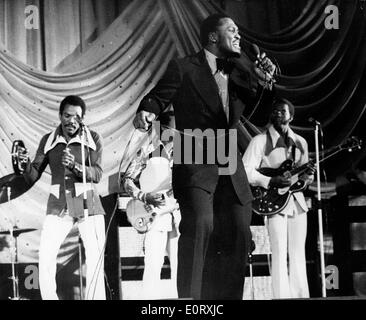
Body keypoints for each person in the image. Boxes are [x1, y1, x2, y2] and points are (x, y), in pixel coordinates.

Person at [132, 13, 276, 299]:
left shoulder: (239, 74)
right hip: (194, 156)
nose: (238, 35)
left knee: (239, 232)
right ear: (212, 36)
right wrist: (147, 110)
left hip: (228, 160)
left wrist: (265, 83)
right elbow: (158, 97)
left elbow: (258, 115)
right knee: (201, 226)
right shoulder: (184, 67)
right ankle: (191, 302)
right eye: (231, 29)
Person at [20, 95, 106, 300]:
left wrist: (76, 166)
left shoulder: (93, 138)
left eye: (77, 117)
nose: (71, 121)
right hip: (59, 202)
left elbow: (97, 174)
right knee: (46, 256)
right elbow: (33, 175)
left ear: (83, 118)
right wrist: (24, 166)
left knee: (95, 257)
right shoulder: (48, 140)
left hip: (87, 201)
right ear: (60, 116)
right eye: (67, 116)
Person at [243, 98, 314, 299]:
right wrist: (270, 180)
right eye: (275, 111)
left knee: (298, 252)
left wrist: (308, 176)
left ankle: (301, 295)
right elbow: (245, 171)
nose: (278, 114)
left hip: (297, 202)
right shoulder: (259, 141)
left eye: (283, 111)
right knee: (279, 252)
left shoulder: (301, 142)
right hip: (274, 202)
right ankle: (281, 296)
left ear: (291, 116)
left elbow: (303, 179)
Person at [122, 111, 180, 299]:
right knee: (153, 265)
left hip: (180, 214)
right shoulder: (149, 148)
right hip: (155, 215)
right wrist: (144, 196)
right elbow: (127, 179)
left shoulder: (187, 151)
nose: (176, 131)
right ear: (162, 127)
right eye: (172, 126)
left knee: (181, 267)